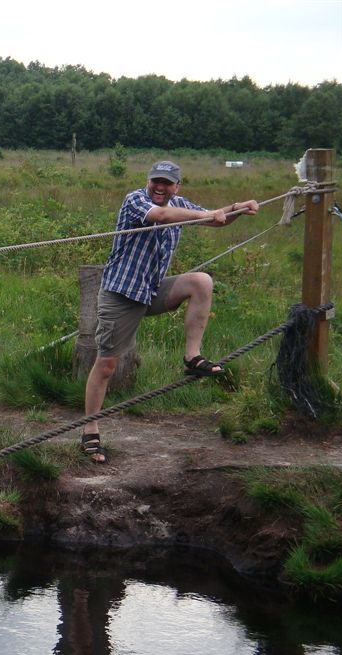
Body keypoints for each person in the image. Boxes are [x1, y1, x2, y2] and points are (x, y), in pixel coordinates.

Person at [81, 160, 258, 464]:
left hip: (151, 290)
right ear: (148, 182)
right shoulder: (136, 200)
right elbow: (161, 216)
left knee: (201, 282)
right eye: (156, 182)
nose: (160, 188)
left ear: (178, 186)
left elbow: (215, 221)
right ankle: (89, 428)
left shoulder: (181, 203)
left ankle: (192, 357)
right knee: (107, 365)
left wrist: (237, 208)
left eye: (167, 183)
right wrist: (206, 214)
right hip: (121, 294)